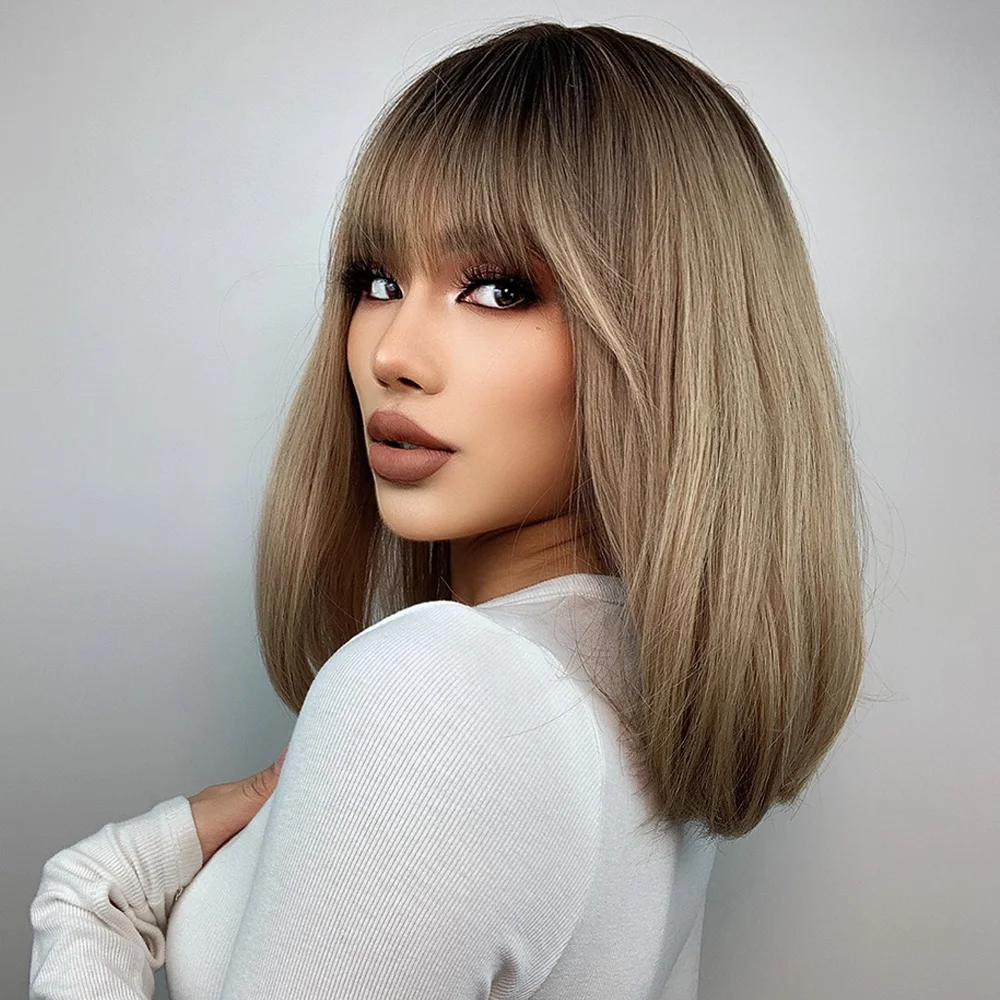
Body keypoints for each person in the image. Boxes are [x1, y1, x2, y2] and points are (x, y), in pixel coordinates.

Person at [28, 18, 870, 999]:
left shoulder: (439, 694)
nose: (391, 352)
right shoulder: (633, 702)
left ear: (668, 339)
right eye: (378, 281)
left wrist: (94, 899)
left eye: (499, 289)